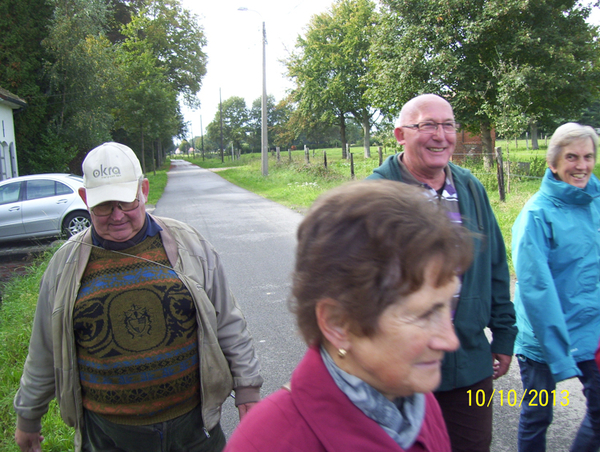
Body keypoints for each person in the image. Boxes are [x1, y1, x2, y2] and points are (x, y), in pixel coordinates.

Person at [14, 142, 263, 452]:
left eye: (127, 202)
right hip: (109, 437)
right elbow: (43, 350)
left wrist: (247, 388)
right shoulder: (63, 268)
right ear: (85, 199)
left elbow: (228, 322)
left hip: (194, 430)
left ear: (144, 190)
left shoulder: (190, 245)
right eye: (104, 206)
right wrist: (28, 416)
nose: (117, 215)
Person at [224, 180, 474, 452]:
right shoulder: (267, 442)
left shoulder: (416, 400)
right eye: (424, 314)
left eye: (445, 307)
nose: (450, 341)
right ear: (337, 323)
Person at [367, 93, 517, 452]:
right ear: (401, 135)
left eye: (448, 125)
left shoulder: (470, 188)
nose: (441, 135)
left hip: (468, 362)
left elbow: (495, 265)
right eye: (428, 125)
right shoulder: (374, 195)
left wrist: (504, 334)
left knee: (473, 445)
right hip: (400, 367)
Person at [512, 122, 600, 452]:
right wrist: (559, 356)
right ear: (553, 164)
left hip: (589, 329)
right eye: (572, 157)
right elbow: (537, 289)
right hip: (543, 338)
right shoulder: (537, 214)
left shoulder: (595, 202)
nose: (582, 166)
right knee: (537, 414)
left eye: (588, 156)